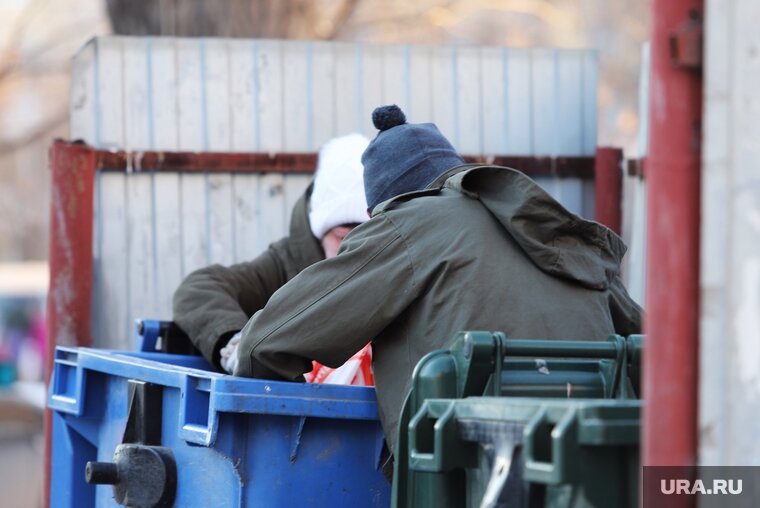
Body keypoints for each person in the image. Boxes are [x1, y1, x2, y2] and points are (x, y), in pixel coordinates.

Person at [231, 105, 643, 458]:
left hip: (463, 478)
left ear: (383, 209)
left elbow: (263, 345)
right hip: (595, 470)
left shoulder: (406, 226)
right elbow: (649, 348)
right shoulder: (547, 228)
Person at [172, 133, 371, 375]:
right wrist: (235, 345)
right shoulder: (286, 264)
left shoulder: (393, 263)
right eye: (340, 237)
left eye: (365, 236)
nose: (351, 248)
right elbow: (198, 289)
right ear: (319, 230)